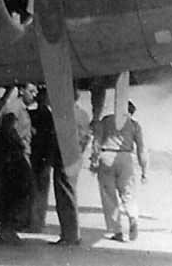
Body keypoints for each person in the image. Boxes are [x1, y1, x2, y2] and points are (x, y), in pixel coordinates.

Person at [91, 99, 147, 242]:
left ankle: (117, 231)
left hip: (107, 155)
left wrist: (94, 159)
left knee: (109, 196)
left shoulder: (106, 120)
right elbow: (141, 149)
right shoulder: (134, 125)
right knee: (128, 193)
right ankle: (133, 216)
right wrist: (144, 170)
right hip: (126, 157)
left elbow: (97, 142)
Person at [0, 82, 37, 244]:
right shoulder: (14, 108)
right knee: (15, 194)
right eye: (30, 91)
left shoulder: (21, 109)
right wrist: (18, 146)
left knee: (16, 194)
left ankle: (8, 229)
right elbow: (8, 128)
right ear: (21, 91)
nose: (34, 94)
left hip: (19, 155)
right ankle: (7, 230)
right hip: (15, 158)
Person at [49, 88, 92, 246]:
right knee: (70, 194)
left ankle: (69, 235)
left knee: (64, 196)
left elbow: (58, 137)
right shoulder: (83, 114)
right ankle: (71, 234)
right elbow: (86, 137)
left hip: (63, 157)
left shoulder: (65, 115)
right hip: (75, 157)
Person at [28, 86, 52, 233]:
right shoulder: (49, 116)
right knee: (42, 191)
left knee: (32, 190)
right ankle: (38, 222)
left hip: (33, 156)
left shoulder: (31, 114)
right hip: (44, 157)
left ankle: (31, 221)